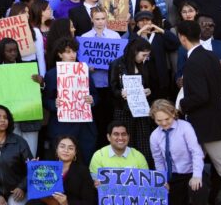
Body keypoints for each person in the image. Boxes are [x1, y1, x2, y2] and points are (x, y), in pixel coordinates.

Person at [177, 20, 221, 204]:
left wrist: (182, 105)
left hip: (203, 127)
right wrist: (213, 101)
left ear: (182, 37)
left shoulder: (192, 61)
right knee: (199, 169)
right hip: (213, 122)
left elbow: (200, 96)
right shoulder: (211, 56)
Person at [43, 38, 98, 164]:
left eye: (74, 52)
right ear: (60, 54)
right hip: (62, 126)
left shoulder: (84, 71)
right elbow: (45, 100)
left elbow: (95, 95)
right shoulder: (51, 75)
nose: (72, 55)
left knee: (83, 161)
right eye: (68, 52)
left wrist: (92, 99)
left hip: (83, 127)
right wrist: (54, 104)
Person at [148, 99, 207, 205]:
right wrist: (163, 179)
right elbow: (158, 160)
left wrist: (197, 175)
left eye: (167, 119)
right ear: (154, 118)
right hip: (173, 176)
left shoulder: (185, 127)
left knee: (198, 190)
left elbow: (196, 152)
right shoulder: (154, 136)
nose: (164, 123)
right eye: (159, 120)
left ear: (173, 114)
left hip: (191, 172)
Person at [108, 36, 155, 166]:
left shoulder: (144, 65)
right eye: (143, 55)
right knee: (125, 140)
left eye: (147, 56)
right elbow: (112, 88)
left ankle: (144, 170)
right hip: (123, 110)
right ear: (135, 51)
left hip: (141, 111)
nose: (145, 58)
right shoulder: (117, 64)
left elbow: (149, 85)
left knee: (143, 141)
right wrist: (120, 93)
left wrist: (148, 91)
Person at [49, 135, 97, 205]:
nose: (66, 150)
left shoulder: (83, 172)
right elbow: (30, 189)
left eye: (70, 148)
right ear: (56, 150)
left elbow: (89, 201)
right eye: (62, 146)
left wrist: (67, 203)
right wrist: (33, 171)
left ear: (75, 152)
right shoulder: (46, 168)